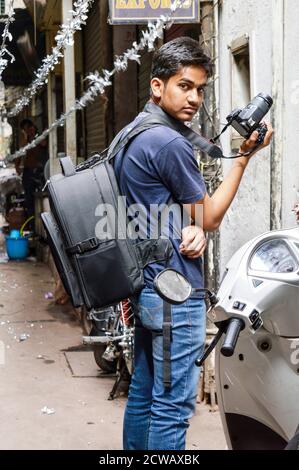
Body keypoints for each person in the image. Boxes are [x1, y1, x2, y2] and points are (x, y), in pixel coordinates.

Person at [114, 37, 273, 450]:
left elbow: (154, 208)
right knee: (173, 407)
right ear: (157, 86)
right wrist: (243, 158)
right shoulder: (168, 142)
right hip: (174, 293)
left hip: (146, 286)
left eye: (201, 89)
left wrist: (190, 226)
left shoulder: (132, 133)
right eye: (184, 86)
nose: (195, 98)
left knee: (146, 396)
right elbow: (210, 215)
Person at [15, 119, 48, 222]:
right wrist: (17, 166)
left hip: (39, 171)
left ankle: (42, 223)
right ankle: (32, 224)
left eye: (28, 128)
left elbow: (44, 144)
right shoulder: (25, 141)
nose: (28, 131)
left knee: (41, 197)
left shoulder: (38, 137)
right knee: (29, 199)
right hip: (28, 172)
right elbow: (20, 153)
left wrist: (34, 135)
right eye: (25, 130)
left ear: (32, 127)